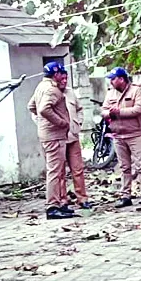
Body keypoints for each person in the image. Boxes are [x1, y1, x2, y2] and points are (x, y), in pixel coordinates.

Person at [28, 61, 78, 220]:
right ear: (55, 74)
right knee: (55, 172)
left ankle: (58, 204)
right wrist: (61, 122)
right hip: (54, 136)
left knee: (56, 171)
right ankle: (52, 206)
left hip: (48, 135)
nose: (62, 76)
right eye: (60, 73)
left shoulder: (40, 87)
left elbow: (31, 106)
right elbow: (43, 109)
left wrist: (43, 123)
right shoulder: (51, 89)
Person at [103, 67, 141, 208]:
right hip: (118, 135)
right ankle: (126, 195)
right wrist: (109, 114)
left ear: (121, 79)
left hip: (134, 134)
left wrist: (119, 112)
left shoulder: (137, 90)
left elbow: (139, 109)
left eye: (113, 79)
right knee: (124, 167)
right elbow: (103, 110)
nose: (111, 82)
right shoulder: (110, 93)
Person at [64, 77, 91, 210]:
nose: (64, 81)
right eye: (61, 78)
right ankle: (62, 200)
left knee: (78, 169)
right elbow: (34, 109)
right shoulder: (47, 91)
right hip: (57, 138)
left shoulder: (70, 92)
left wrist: (78, 123)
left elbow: (80, 109)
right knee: (58, 172)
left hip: (73, 136)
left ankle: (82, 198)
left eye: (65, 78)